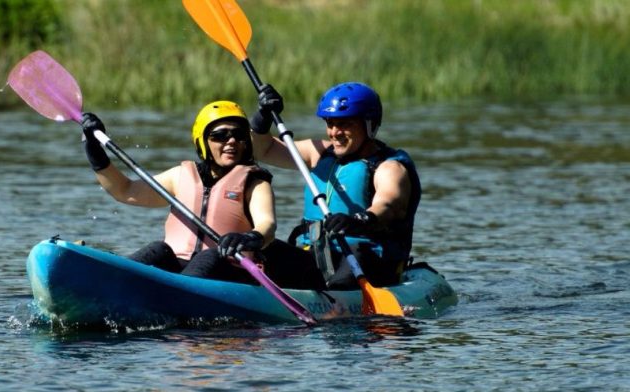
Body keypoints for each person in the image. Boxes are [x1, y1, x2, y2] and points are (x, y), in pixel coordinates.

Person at [80, 101, 292, 284]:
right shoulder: (181, 176)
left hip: (229, 272)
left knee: (210, 256)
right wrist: (94, 151)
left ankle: (171, 296)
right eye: (220, 136)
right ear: (203, 141)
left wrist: (250, 238)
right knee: (158, 250)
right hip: (180, 271)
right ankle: (109, 279)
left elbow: (267, 225)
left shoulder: (255, 182)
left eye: (238, 135)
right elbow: (125, 190)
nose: (231, 141)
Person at [248, 82, 422, 290]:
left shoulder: (389, 167)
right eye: (330, 123)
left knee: (347, 271)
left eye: (344, 124)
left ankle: (335, 305)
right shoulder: (318, 153)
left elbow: (389, 205)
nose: (334, 132)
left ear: (369, 125)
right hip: (316, 253)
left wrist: (358, 219)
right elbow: (262, 150)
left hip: (365, 258)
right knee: (266, 252)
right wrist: (263, 118)